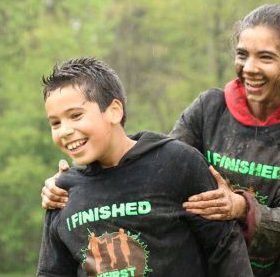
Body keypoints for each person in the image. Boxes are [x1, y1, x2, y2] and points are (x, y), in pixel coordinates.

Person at [41, 4, 280, 276]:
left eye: (265, 57)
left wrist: (241, 207)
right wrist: (87, 171)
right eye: (242, 55)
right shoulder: (209, 108)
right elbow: (157, 166)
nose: (250, 68)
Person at [36, 57, 253, 276]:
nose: (64, 130)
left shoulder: (176, 163)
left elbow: (224, 248)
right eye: (55, 123)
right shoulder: (61, 192)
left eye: (75, 116)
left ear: (114, 111)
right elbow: (52, 272)